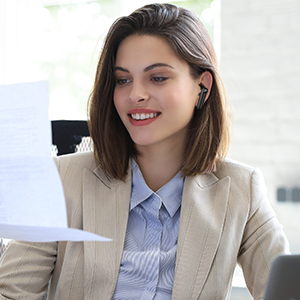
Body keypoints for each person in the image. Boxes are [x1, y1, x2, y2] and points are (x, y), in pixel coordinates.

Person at [0, 3, 289, 300]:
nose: (135, 94)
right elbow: (10, 293)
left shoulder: (242, 190)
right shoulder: (60, 181)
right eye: (123, 80)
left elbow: (287, 290)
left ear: (202, 87)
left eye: (158, 77)